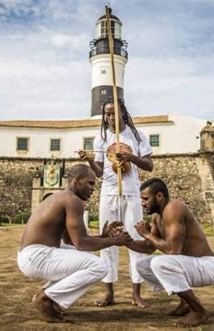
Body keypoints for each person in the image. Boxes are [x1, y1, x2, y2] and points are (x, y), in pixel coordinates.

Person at [17, 164, 132, 323]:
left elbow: (71, 241)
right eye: (90, 183)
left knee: (87, 256)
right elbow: (81, 243)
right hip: (37, 256)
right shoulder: (73, 200)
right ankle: (46, 298)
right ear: (77, 181)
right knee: (100, 266)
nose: (93, 189)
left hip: (32, 256)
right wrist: (114, 240)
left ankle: (51, 296)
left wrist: (103, 236)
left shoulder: (61, 197)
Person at [78, 97, 154, 307]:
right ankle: (109, 292)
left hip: (131, 194)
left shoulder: (137, 136)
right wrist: (91, 160)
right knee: (107, 243)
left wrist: (131, 158)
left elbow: (149, 165)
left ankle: (136, 293)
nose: (110, 117)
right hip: (108, 195)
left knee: (134, 240)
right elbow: (101, 173)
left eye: (114, 112)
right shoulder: (100, 138)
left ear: (123, 112)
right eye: (107, 113)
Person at [127, 178, 214, 327]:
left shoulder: (174, 208)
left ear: (159, 196)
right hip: (189, 266)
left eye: (145, 199)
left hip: (206, 266)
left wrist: (147, 234)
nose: (142, 203)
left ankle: (198, 311)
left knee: (159, 263)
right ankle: (185, 301)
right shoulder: (157, 216)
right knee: (142, 265)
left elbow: (172, 250)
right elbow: (148, 247)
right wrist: (124, 241)